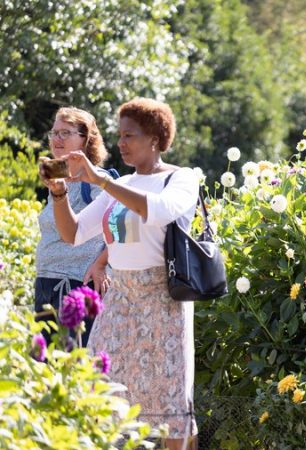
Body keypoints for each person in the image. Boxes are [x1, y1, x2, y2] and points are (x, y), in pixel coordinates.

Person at [45, 98, 199, 450]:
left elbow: (158, 210)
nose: (121, 143)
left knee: (170, 400)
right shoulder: (124, 182)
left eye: (129, 136)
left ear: (155, 139)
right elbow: (73, 233)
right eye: (120, 136)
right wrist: (59, 192)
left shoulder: (180, 178)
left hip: (164, 301)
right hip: (121, 299)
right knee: (99, 391)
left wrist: (101, 180)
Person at [35, 107, 110, 348]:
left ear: (85, 139)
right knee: (44, 365)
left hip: (76, 288)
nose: (57, 139)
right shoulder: (57, 180)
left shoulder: (98, 179)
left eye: (65, 132)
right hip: (46, 283)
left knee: (72, 363)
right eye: (54, 132)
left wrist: (102, 263)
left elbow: (122, 223)